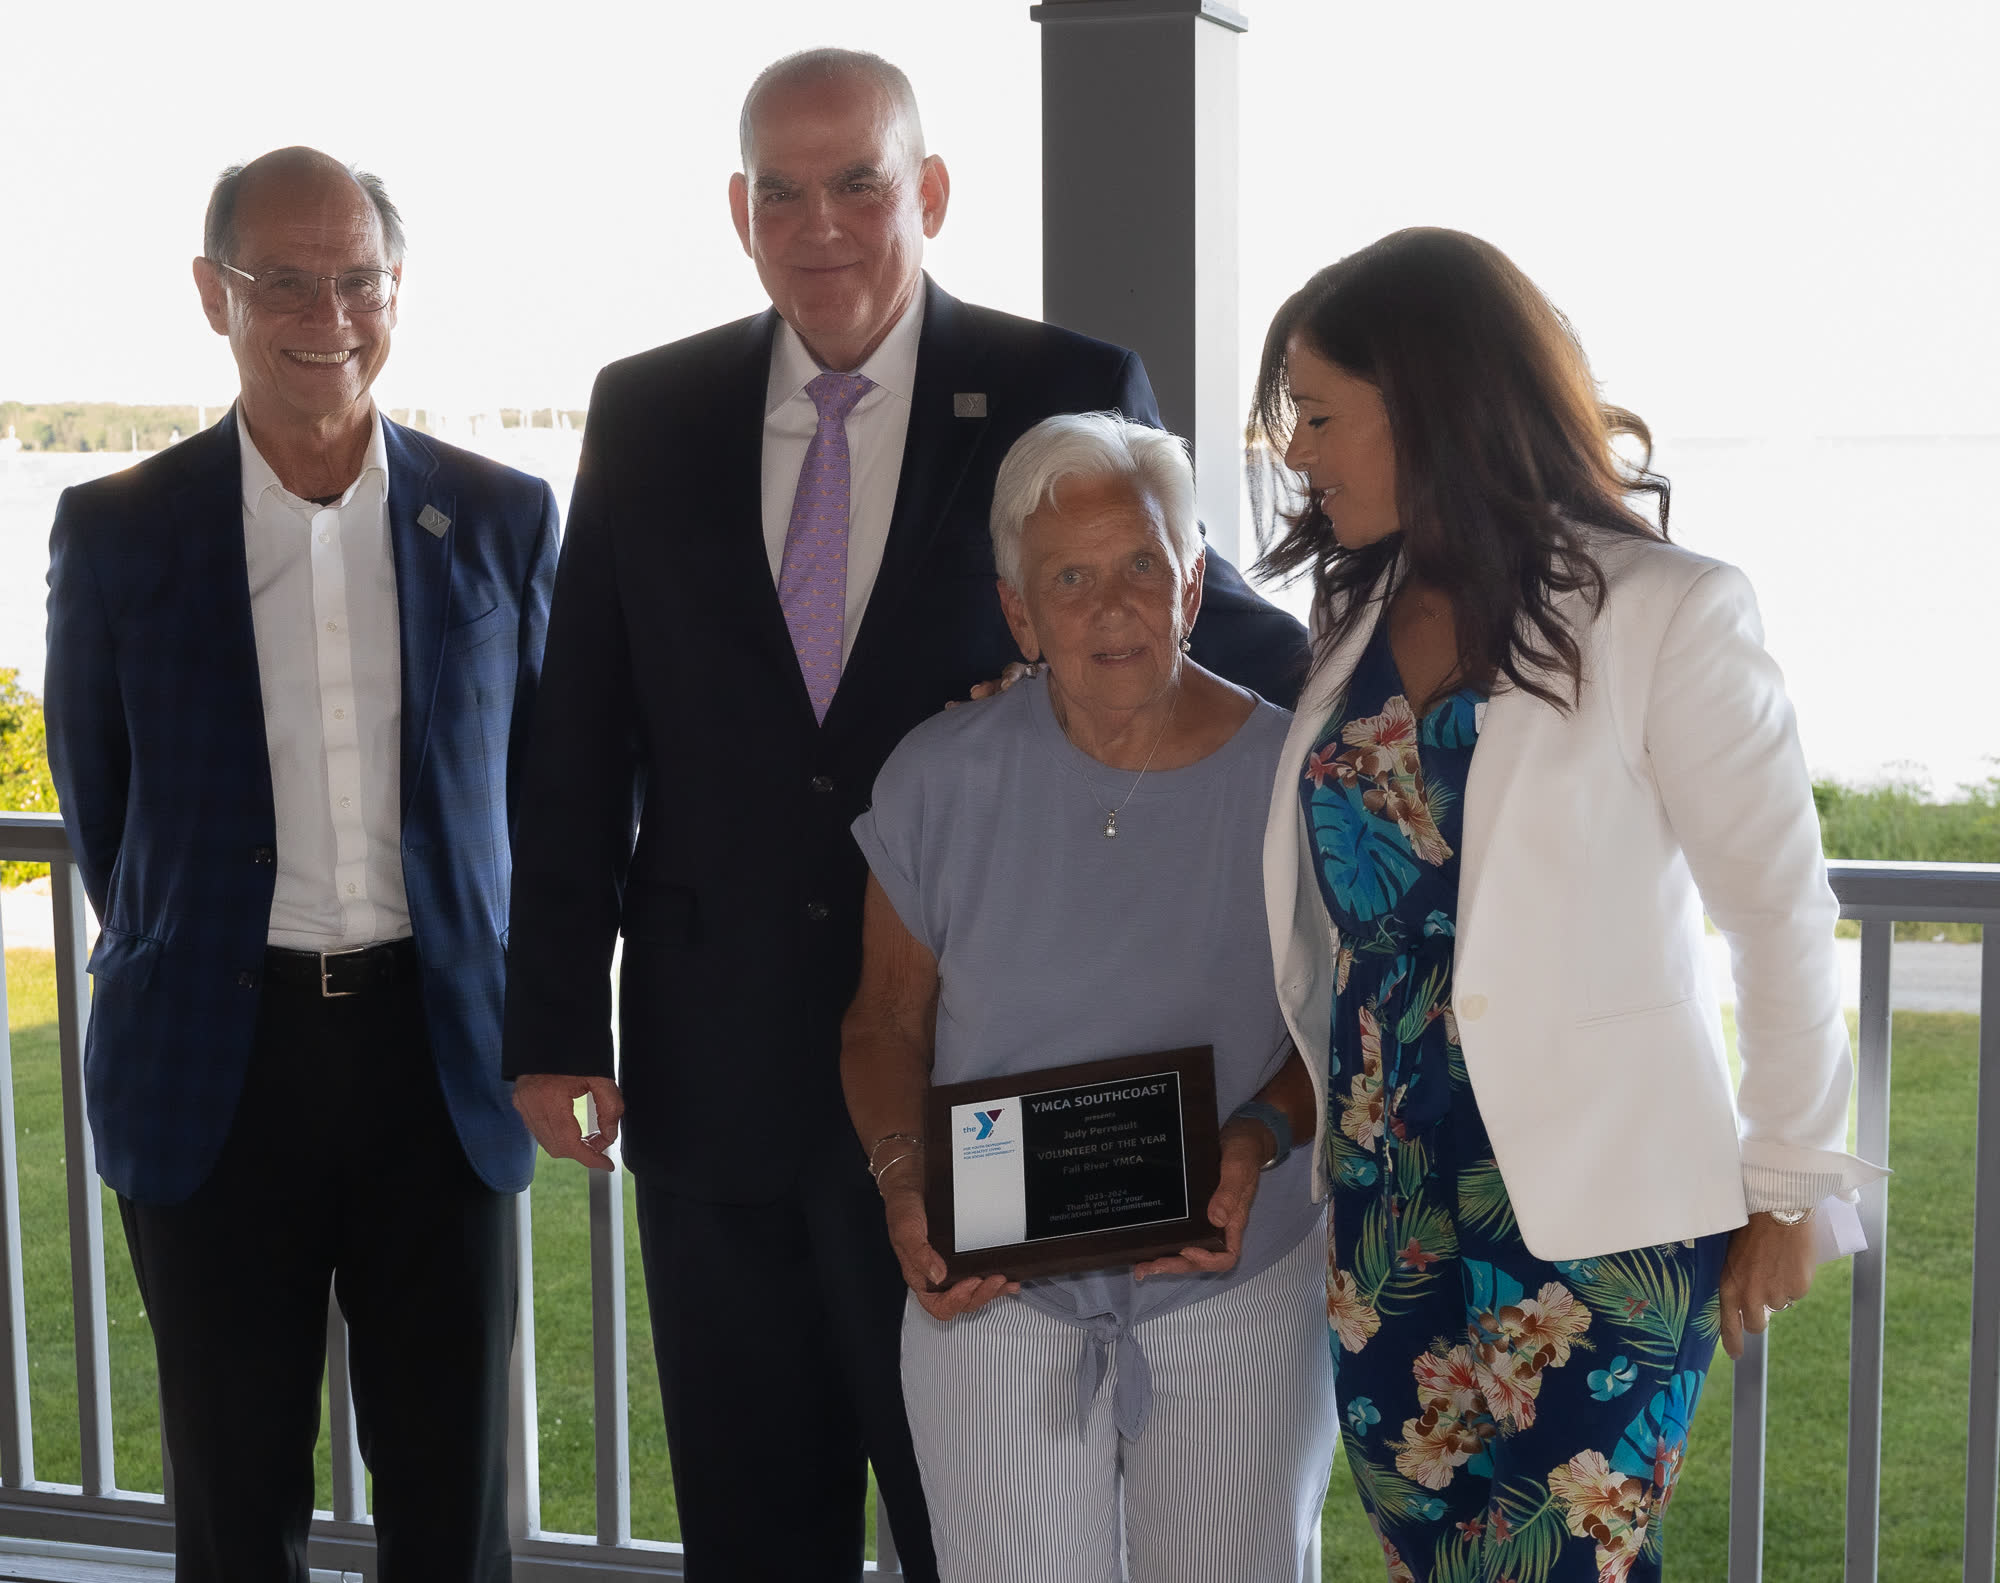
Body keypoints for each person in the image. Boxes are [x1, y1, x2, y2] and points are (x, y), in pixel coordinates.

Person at [501, 47, 1309, 1583]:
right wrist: (551, 1017)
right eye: (783, 192)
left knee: (973, 1525)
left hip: (978, 1086)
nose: (822, 224)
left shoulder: (1066, 380)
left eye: (860, 182)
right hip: (716, 1063)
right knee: (752, 1523)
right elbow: (580, 727)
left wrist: (1417, 688)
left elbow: (1200, 619)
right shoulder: (647, 409)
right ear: (740, 212)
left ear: (928, 190)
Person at [1253, 227, 1887, 1582]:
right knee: (1434, 1558)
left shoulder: (1666, 607)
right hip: (1382, 1190)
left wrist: (1789, 1181)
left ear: (1427, 403)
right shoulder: (1351, 610)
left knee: (1553, 1565)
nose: (1296, 449)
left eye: (1318, 413)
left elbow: (1777, 908)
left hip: (1603, 1208)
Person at [43, 147, 557, 1581]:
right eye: (283, 280)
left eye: (358, 280)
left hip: (438, 1062)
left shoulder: (502, 516)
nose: (327, 314)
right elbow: (103, 806)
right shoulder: (120, 530)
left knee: (451, 1497)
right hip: (216, 1064)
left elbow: (546, 787)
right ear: (214, 293)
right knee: (232, 1490)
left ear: (396, 290)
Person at [840, 412, 1337, 1582]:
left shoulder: (1299, 781)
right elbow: (884, 1020)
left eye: (1139, 567)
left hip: (1236, 1274)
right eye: (1069, 578)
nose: (1111, 607)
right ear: (1017, 612)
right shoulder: (938, 773)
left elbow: (1341, 1034)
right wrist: (904, 1181)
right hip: (993, 1290)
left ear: (1192, 584)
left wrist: (1255, 1136)